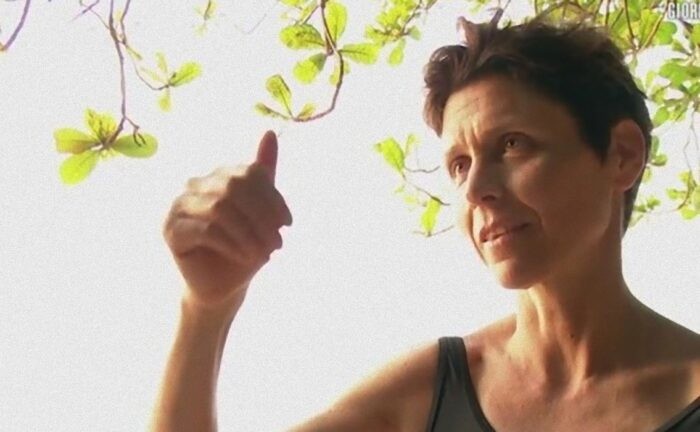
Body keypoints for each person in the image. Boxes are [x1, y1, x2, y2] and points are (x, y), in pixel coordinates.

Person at [149, 9, 700, 432]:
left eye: (512, 145)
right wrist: (206, 309)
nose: (476, 190)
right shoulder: (431, 391)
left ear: (622, 155)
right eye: (459, 165)